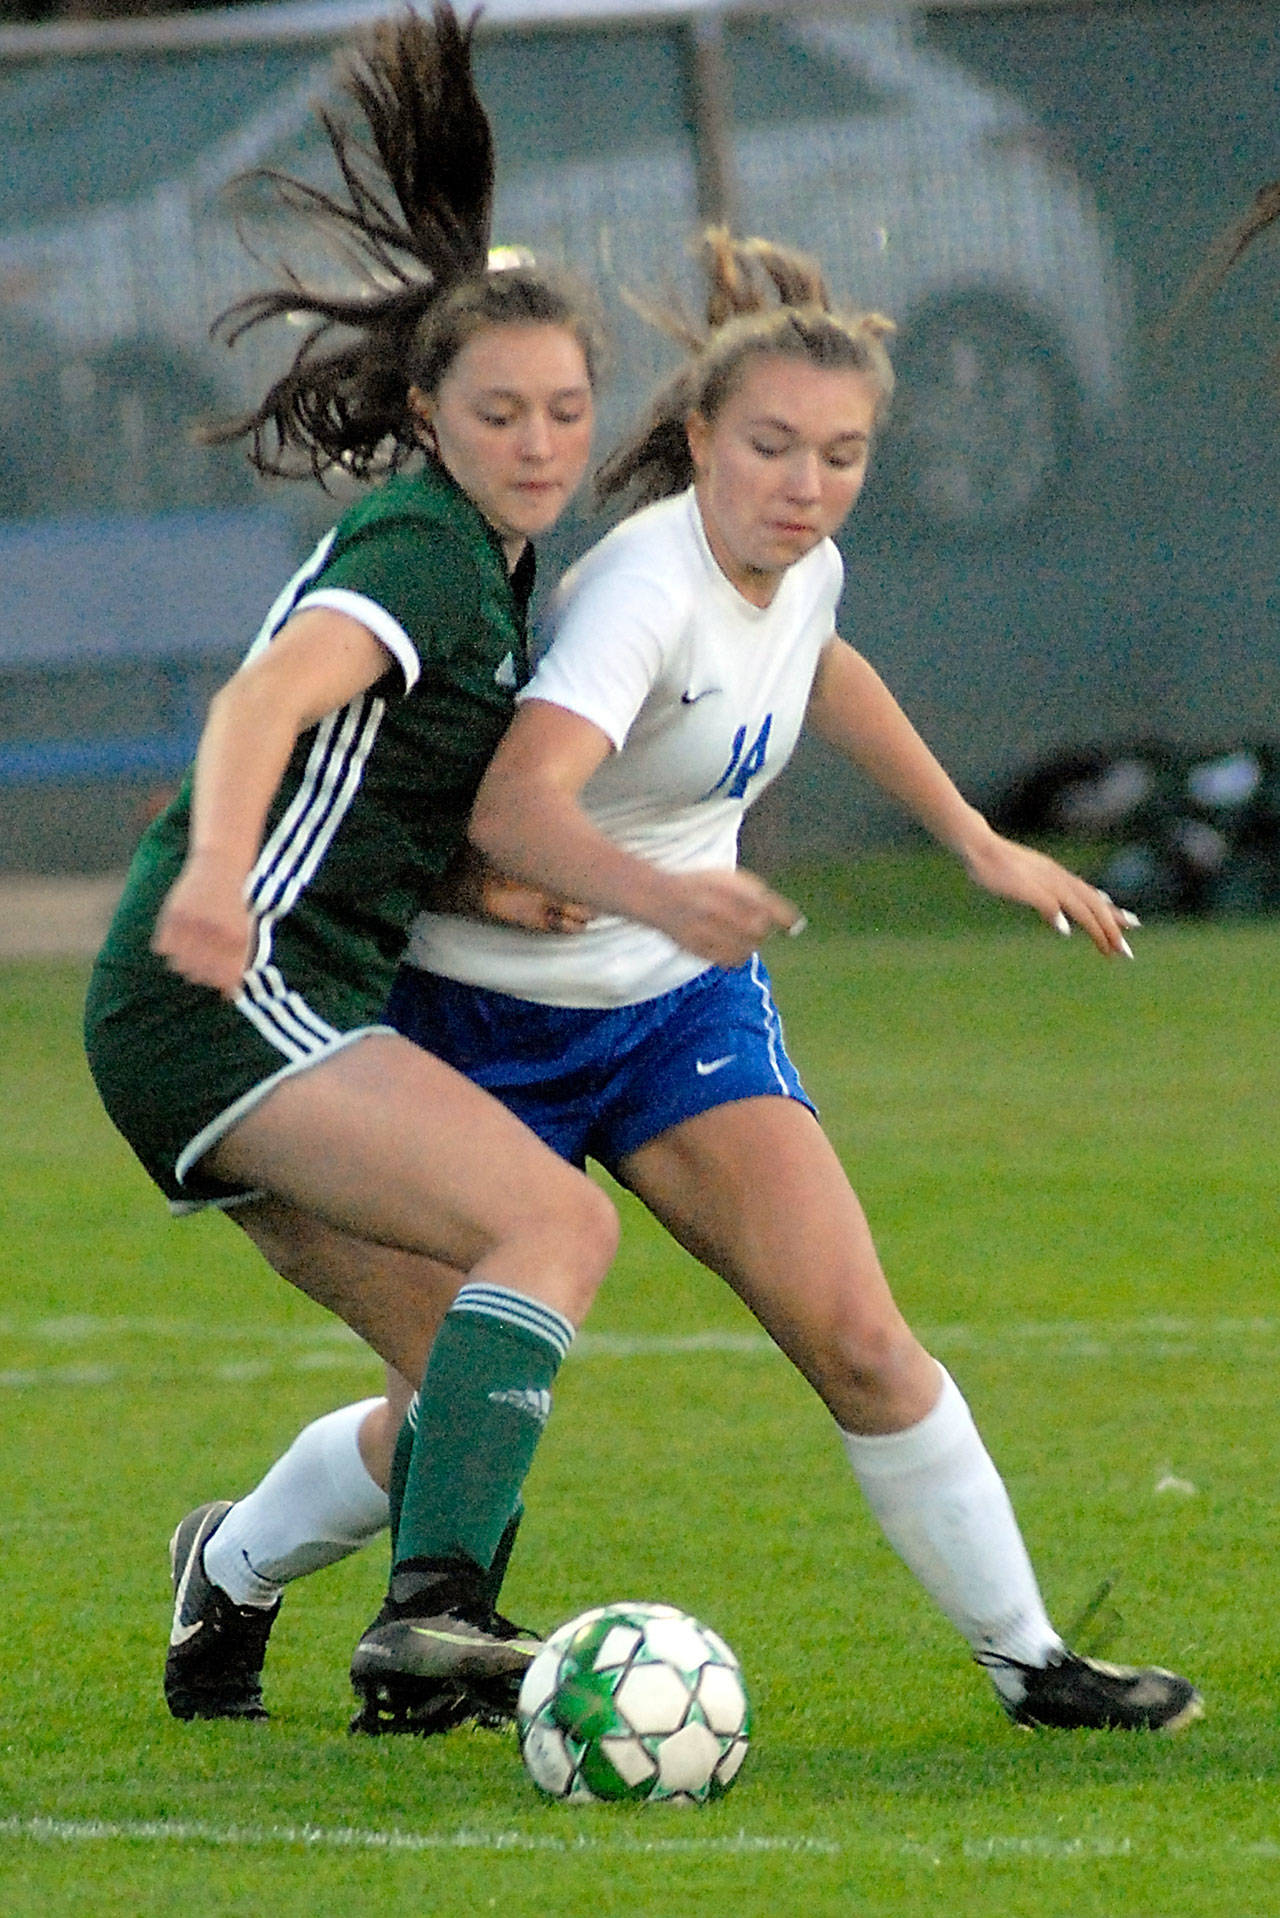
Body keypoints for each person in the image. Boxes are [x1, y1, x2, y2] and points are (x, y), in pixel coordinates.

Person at [182, 228, 1201, 1739]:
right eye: (775, 446)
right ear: (703, 435)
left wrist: (977, 839)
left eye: (843, 455)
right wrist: (664, 890)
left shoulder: (801, 562)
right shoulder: (639, 592)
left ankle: (1032, 1659)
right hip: (474, 1020)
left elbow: (819, 659)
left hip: (672, 1012)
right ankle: (237, 1563)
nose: (808, 484)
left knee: (859, 1335)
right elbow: (514, 806)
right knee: (446, 1401)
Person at [83, 5, 622, 1731]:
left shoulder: (495, 568)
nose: (539, 439)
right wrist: (213, 874)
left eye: (565, 409)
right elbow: (263, 704)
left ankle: (232, 1570)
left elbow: (363, 798)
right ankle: (433, 1620)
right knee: (554, 1221)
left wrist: (479, 891)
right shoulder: (421, 550)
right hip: (227, 993)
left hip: (247, 1001)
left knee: (466, 1369)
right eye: (500, 410)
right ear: (429, 411)